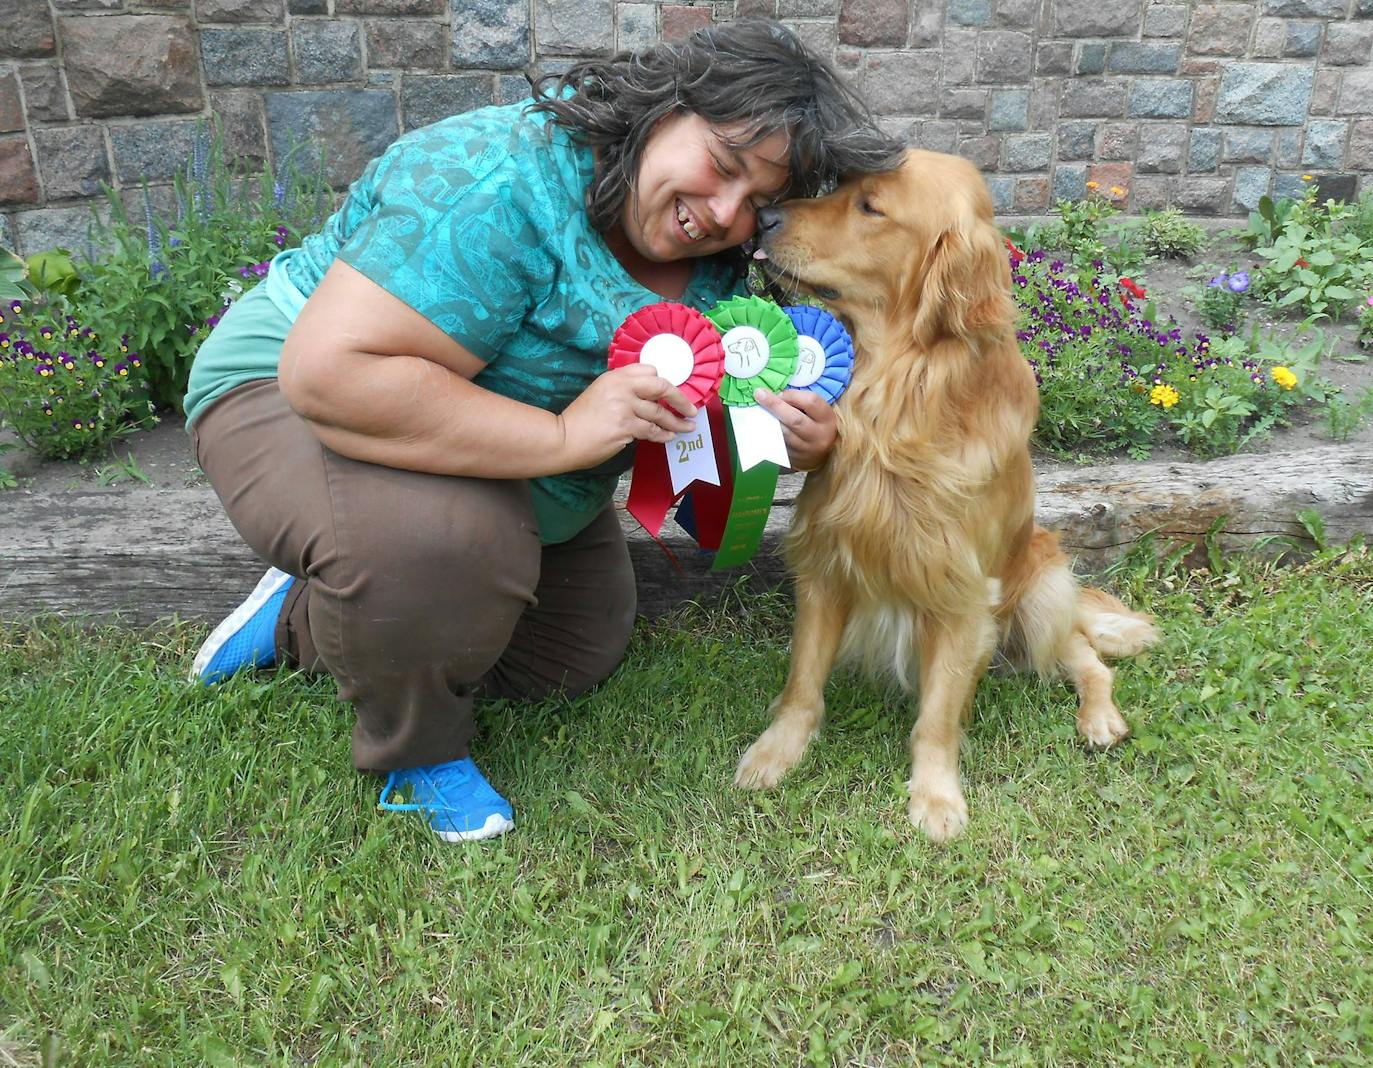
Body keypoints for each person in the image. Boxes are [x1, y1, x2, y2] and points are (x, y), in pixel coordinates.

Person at [183, 17, 903, 843]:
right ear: (665, 105)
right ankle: (415, 755)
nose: (724, 213)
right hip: (291, 390)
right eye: (723, 165)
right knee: (450, 545)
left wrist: (773, 445)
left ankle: (298, 617)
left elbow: (689, 478)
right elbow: (329, 372)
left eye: (760, 203)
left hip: (493, 449)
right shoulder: (498, 178)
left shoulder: (718, 265)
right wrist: (564, 440)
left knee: (574, 648)